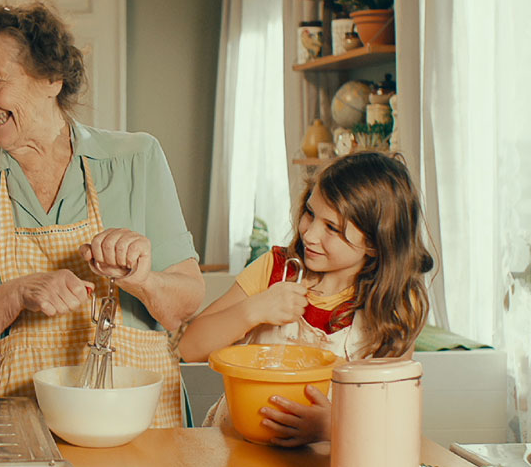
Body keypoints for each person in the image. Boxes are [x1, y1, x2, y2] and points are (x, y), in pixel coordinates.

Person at [0, 0, 206, 428]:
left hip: (141, 428)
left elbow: (183, 305)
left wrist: (143, 280)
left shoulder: (135, 159)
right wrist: (18, 293)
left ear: (52, 78)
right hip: (21, 429)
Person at [179, 151, 433, 446]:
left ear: (376, 242)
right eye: (310, 213)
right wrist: (253, 310)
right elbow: (190, 347)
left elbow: (389, 414)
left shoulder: (397, 308)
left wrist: (332, 427)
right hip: (235, 446)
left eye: (332, 228)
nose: (310, 234)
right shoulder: (275, 270)